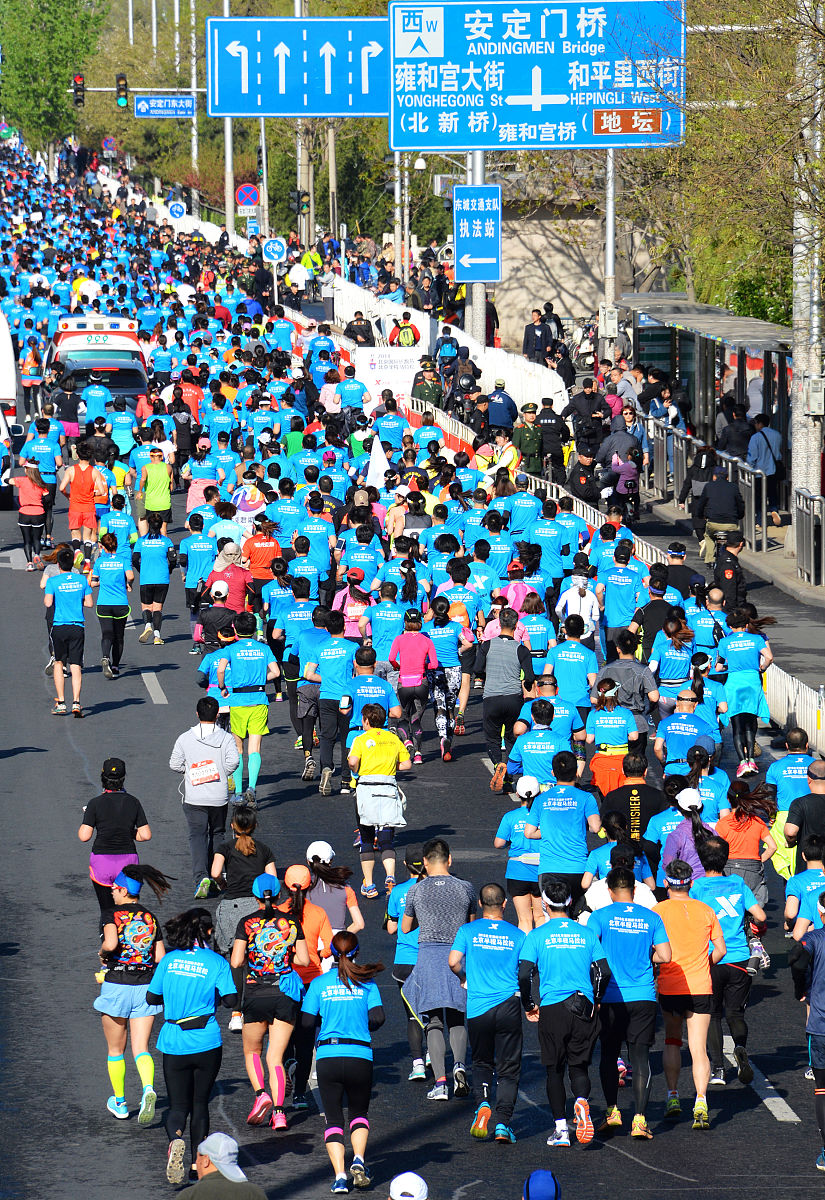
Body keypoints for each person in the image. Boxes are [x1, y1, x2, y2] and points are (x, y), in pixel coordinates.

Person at [146, 908, 237, 1186]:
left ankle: (175, 1140)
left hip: (174, 1041)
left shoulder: (170, 960)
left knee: (177, 1105)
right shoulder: (217, 962)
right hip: (206, 1040)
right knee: (200, 1105)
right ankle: (199, 1165)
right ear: (208, 932)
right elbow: (232, 1000)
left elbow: (151, 997)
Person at [518, 879, 610, 1148]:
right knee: (579, 1065)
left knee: (554, 1070)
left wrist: (528, 1004)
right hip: (583, 1006)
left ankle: (561, 1130)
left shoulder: (537, 935)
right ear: (570, 903)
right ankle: (582, 1102)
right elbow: (603, 972)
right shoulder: (587, 935)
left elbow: (524, 973)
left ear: (544, 904)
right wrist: (597, 999)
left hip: (552, 1008)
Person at [588, 865, 671, 1139]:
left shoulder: (598, 917)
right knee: (641, 1058)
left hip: (611, 997)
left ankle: (612, 1111)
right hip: (643, 996)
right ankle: (640, 1119)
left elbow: (589, 958)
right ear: (634, 891)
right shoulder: (651, 917)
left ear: (610, 892)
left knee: (609, 1055)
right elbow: (666, 955)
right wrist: (647, 959)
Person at [301, 931, 385, 1193]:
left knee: (334, 1119)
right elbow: (379, 1018)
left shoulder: (319, 984)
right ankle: (358, 1159)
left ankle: (339, 1177)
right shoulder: (368, 984)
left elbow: (305, 1023)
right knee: (359, 1113)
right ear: (357, 952)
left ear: (332, 954)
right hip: (360, 1055)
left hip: (329, 1057)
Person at [230, 873, 310, 1130]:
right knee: (275, 1057)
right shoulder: (291, 920)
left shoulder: (246, 922)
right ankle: (278, 1113)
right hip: (284, 994)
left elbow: (236, 962)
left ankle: (260, 1094)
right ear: (278, 895)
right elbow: (304, 961)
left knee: (252, 1051)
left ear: (254, 897)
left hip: (255, 993)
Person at [449, 882, 526, 1144]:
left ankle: (483, 1104)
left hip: (479, 1007)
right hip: (508, 1005)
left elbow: (452, 961)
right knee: (509, 1068)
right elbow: (526, 970)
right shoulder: (517, 935)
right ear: (504, 905)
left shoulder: (468, 930)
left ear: (480, 905)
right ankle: (503, 1123)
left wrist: (464, 976)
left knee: (482, 1061)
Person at [94, 864, 171, 1122]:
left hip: (117, 984)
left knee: (116, 1049)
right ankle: (148, 1087)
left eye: (115, 888)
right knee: (141, 1047)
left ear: (124, 890)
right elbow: (160, 956)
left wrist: (104, 954)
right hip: (145, 988)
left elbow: (111, 943)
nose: (112, 892)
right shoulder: (150, 917)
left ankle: (120, 1102)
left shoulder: (111, 914)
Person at [401, 838, 476, 1102]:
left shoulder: (416, 891)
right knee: (457, 1016)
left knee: (432, 1020)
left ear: (425, 862)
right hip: (457, 955)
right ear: (450, 859)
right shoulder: (466, 888)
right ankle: (459, 1066)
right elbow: (470, 925)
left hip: (429, 956)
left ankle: (441, 1082)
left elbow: (405, 927)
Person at [653, 858, 726, 1129]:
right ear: (691, 883)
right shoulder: (705, 910)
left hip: (670, 987)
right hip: (699, 986)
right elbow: (720, 950)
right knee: (698, 1048)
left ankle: (673, 1096)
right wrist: (705, 963)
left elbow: (653, 952)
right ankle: (701, 1099)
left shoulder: (656, 910)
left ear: (666, 883)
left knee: (672, 1041)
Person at [691, 836, 765, 1087]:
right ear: (727, 858)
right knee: (735, 1012)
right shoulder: (738, 882)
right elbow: (761, 915)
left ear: (702, 860)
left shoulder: (697, 888)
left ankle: (719, 1069)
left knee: (713, 1015)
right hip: (740, 959)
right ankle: (741, 1048)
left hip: (711, 959)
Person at [169, 696, 241, 899]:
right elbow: (233, 762)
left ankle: (201, 877)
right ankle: (217, 874)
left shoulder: (185, 738)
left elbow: (174, 764)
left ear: (197, 714)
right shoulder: (226, 738)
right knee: (218, 834)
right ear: (218, 715)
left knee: (197, 836)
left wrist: (191, 773)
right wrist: (219, 772)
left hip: (194, 797)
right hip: (218, 797)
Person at [348, 704, 412, 899]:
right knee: (386, 839)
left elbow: (352, 762)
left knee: (367, 840)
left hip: (367, 789)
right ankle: (390, 876)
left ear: (367, 721)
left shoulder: (360, 739)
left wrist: (359, 767)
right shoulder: (393, 738)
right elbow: (407, 764)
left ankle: (369, 884)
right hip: (388, 788)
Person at [524, 750, 602, 905]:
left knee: (552, 916)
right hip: (577, 868)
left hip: (549, 869)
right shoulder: (586, 797)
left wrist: (550, 830)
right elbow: (595, 827)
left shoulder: (541, 799)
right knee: (578, 917)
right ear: (576, 772)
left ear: (553, 773)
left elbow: (529, 832)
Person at [217, 611, 279, 806]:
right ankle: (252, 787)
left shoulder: (231, 649)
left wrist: (223, 687)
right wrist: (261, 680)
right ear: (254, 630)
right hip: (259, 700)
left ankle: (238, 791)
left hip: (237, 701)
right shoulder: (264, 649)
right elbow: (276, 672)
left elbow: (220, 669)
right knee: (255, 748)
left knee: (237, 749)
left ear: (235, 629)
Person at [78, 757, 153, 915]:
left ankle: (109, 937)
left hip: (102, 863)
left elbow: (84, 836)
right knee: (128, 912)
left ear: (102, 778)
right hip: (128, 863)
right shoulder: (134, 802)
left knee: (107, 912)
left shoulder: (95, 803)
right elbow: (145, 835)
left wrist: (90, 819)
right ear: (123, 779)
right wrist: (127, 831)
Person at [475, 606, 536, 791]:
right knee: (511, 737)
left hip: (492, 697)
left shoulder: (487, 645)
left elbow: (477, 669)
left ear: (499, 623)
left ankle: (497, 765)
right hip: (513, 698)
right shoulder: (520, 649)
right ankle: (509, 774)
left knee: (492, 738)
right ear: (517, 625)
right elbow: (530, 677)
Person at [210, 804, 277, 966]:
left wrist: (222, 883)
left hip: (232, 903)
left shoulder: (225, 847)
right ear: (255, 826)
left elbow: (215, 872)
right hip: (256, 904)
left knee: (233, 951)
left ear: (232, 825)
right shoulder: (264, 849)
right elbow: (272, 878)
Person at [789, 894, 825, 1170]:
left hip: (821, 1026)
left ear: (821, 914)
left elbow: (796, 959)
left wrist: (799, 988)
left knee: (822, 1089)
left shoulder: (814, 939)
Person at [716, 608, 774, 778]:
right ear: (746, 624)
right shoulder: (756, 639)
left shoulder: (725, 642)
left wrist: (729, 667)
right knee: (750, 723)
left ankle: (742, 763)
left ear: (730, 626)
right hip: (753, 683)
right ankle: (751, 760)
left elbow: (719, 666)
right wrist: (761, 668)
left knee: (737, 725)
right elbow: (769, 657)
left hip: (733, 685)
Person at [43, 545, 93, 716]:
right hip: (77, 626)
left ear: (58, 565)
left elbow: (48, 603)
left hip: (59, 626)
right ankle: (77, 703)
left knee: (59, 662)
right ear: (72, 563)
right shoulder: (81, 580)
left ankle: (62, 702)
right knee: (76, 665)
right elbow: (89, 603)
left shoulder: (53, 581)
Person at [494, 775, 543, 933]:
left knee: (524, 919)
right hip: (541, 870)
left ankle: (525, 955)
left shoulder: (510, 817)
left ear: (517, 794)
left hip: (517, 871)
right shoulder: (544, 815)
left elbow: (498, 843)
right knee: (540, 916)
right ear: (539, 793)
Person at [90, 531, 133, 678]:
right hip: (120, 604)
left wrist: (103, 581)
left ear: (103, 546)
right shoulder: (123, 560)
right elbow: (131, 576)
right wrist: (128, 584)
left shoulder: (100, 561)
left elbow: (93, 583)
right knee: (119, 636)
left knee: (107, 633)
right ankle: (115, 666)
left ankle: (105, 656)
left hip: (104, 604)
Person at [178, 1132, 268, 1199]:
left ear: (206, 1161)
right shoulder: (255, 1193)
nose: (196, 1162)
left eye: (197, 1158)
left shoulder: (189, 1196)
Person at [306, 840, 365, 935]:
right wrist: (339, 939)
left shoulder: (304, 888)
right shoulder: (345, 888)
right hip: (336, 944)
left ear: (308, 862)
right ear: (331, 861)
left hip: (311, 940)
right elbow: (359, 924)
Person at [695, 466, 745, 562]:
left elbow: (701, 504)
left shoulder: (708, 486)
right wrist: (739, 515)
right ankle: (732, 558)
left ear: (714, 477)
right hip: (730, 524)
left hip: (713, 523)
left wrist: (701, 515)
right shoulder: (734, 487)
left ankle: (709, 559)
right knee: (734, 539)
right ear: (727, 477)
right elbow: (740, 504)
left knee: (708, 537)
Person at [785, 762, 825, 871]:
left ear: (809, 779)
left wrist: (790, 842)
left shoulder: (800, 803)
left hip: (809, 866)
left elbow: (790, 832)